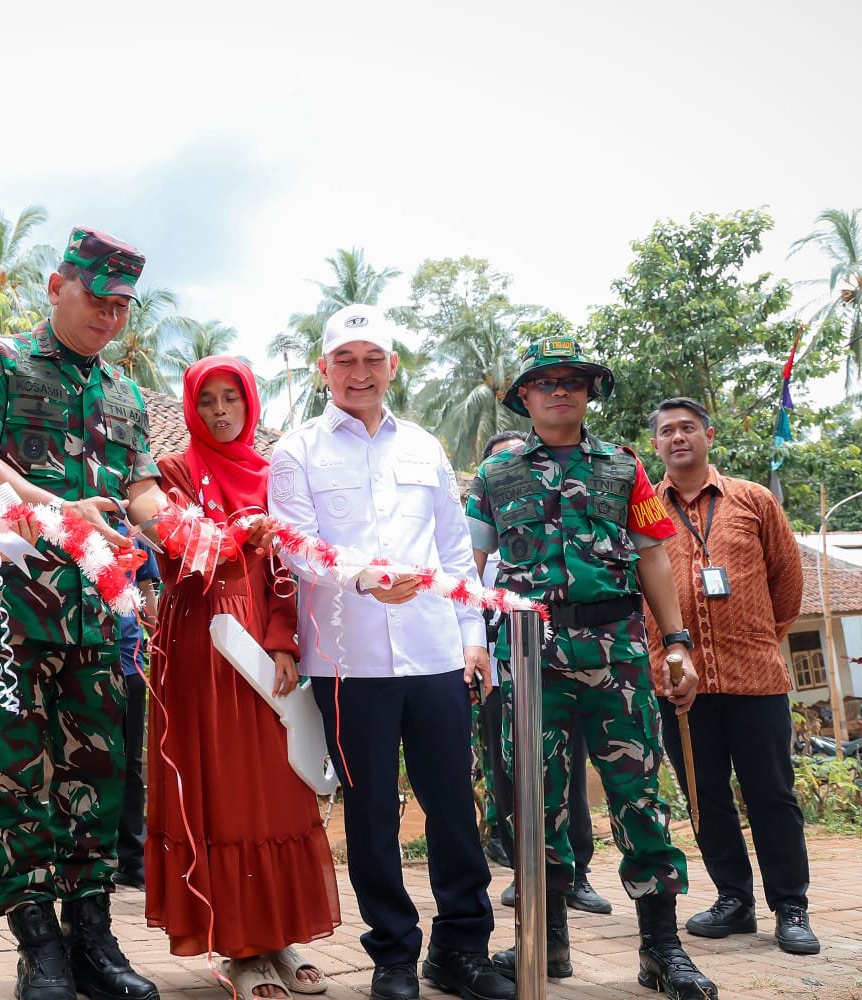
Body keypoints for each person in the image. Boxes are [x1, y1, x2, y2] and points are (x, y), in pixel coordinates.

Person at [0, 227, 165, 1000]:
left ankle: (92, 938)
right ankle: (39, 946)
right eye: (97, 299)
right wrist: (62, 511)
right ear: (56, 287)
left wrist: (189, 529)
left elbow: (140, 490)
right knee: (9, 775)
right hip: (1, 610)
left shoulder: (125, 393)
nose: (109, 316)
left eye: (121, 306)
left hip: (96, 616)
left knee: (97, 777)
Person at [268, 305, 512, 1000]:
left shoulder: (426, 447)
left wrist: (472, 637)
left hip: (435, 654)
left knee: (454, 806)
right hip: (349, 665)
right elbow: (295, 546)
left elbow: (455, 550)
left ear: (393, 366)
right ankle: (395, 955)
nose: (360, 372)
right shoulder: (297, 452)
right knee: (371, 813)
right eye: (345, 360)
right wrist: (364, 578)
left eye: (373, 358)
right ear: (323, 369)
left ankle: (461, 950)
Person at [468, 338, 717, 999]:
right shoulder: (495, 475)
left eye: (572, 381)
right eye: (545, 381)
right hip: (530, 655)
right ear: (523, 396)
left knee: (640, 796)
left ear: (588, 392)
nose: (560, 390)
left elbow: (653, 556)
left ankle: (661, 948)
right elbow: (469, 562)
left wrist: (677, 642)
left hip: (618, 653)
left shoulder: (624, 468)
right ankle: (546, 941)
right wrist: (468, 644)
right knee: (535, 798)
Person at [147, 356, 340, 999]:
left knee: (276, 787)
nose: (219, 411)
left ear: (249, 403)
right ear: (191, 408)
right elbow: (177, 550)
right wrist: (235, 534)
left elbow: (287, 564)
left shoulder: (271, 473)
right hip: (201, 645)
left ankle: (278, 935)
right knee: (223, 790)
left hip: (263, 638)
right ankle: (240, 948)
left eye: (230, 398)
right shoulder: (174, 472)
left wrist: (284, 640)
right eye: (206, 401)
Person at [646, 396, 818, 955]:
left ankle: (790, 907)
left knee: (773, 795)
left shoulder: (753, 499)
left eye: (687, 428)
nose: (678, 438)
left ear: (709, 435)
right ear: (656, 444)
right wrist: (664, 658)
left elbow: (787, 583)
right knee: (706, 797)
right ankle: (733, 900)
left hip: (756, 678)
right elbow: (638, 590)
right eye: (667, 431)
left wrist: (757, 638)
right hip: (681, 685)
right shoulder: (643, 510)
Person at [474, 432, 611, 917]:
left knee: (569, 773)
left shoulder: (553, 538)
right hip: (498, 671)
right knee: (511, 774)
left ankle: (579, 875)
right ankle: (527, 873)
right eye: (504, 463)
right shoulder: (477, 546)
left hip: (562, 663)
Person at [112, 528, 159, 894]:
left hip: (129, 663)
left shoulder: (133, 529)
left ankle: (133, 861)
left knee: (129, 763)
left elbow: (146, 587)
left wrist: (157, 632)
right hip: (83, 659)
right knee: (84, 762)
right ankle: (92, 857)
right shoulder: (71, 518)